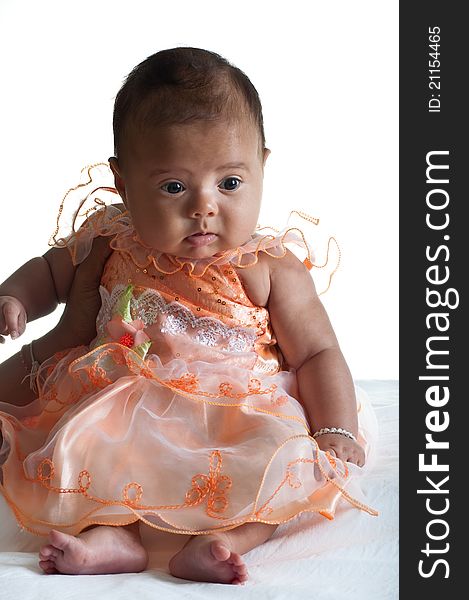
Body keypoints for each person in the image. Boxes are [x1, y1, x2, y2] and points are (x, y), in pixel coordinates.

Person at [0, 47, 377, 585]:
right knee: (90, 451)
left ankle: (225, 540)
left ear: (262, 167)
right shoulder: (110, 240)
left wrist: (337, 428)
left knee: (282, 467)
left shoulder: (267, 265)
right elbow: (50, 271)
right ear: (124, 183)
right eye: (174, 186)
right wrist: (13, 297)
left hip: (236, 409)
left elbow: (317, 352)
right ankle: (112, 537)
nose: (204, 206)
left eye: (230, 183)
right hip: (122, 402)